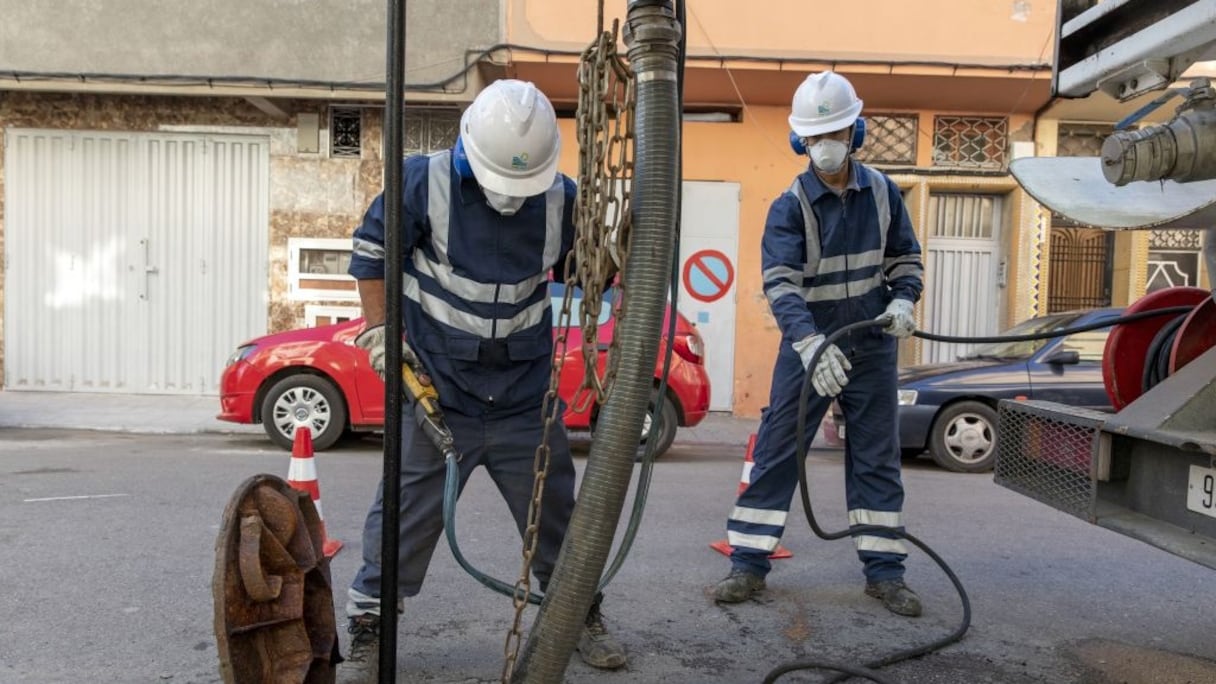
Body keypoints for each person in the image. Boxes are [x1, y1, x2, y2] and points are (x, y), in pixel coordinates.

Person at [340, 79, 627, 681]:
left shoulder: (561, 198)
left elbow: (593, 273)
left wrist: (617, 238)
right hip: (438, 391)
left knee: (556, 512)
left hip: (524, 393)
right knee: (404, 512)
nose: (510, 197)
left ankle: (579, 613)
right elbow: (372, 258)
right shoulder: (424, 182)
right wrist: (379, 332)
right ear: (469, 148)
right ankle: (370, 624)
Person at [712, 71, 926, 617]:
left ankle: (885, 574)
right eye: (815, 137)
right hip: (810, 343)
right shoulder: (790, 205)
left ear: (856, 131)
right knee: (779, 452)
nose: (825, 146)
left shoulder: (882, 192)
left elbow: (905, 258)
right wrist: (809, 344)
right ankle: (747, 565)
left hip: (872, 342)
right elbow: (780, 283)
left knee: (876, 457)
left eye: (834, 133)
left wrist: (904, 299)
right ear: (800, 142)